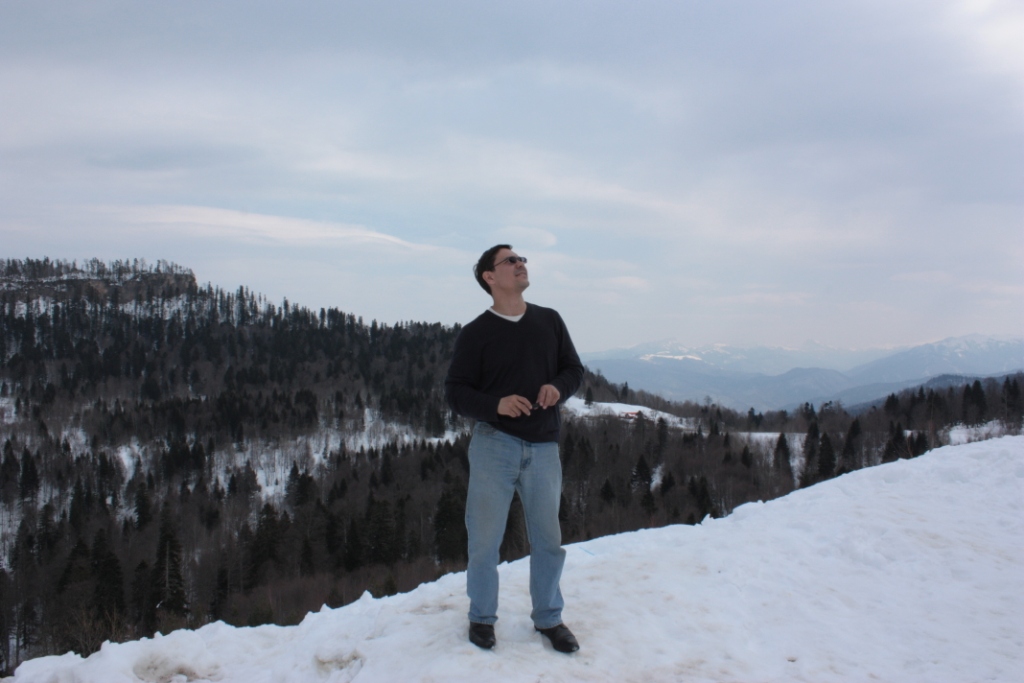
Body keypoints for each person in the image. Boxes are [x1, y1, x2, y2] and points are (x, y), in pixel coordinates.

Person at [445, 244, 584, 654]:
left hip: (543, 447)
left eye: (521, 259)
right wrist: (496, 405)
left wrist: (557, 387)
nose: (521, 263)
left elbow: (573, 369)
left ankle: (549, 619)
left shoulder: (549, 320)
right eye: (510, 260)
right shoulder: (476, 333)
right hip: (495, 445)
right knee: (484, 541)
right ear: (489, 277)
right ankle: (481, 618)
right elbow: (455, 392)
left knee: (548, 541)